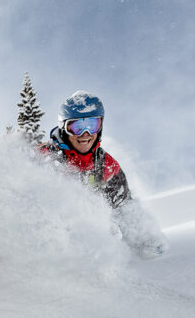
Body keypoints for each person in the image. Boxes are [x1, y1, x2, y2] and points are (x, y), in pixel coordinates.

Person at [41, 90, 167, 257]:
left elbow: (124, 207)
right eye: (77, 127)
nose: (85, 134)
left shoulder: (105, 165)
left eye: (92, 125)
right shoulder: (43, 158)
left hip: (84, 252)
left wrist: (146, 241)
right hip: (46, 241)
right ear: (64, 127)